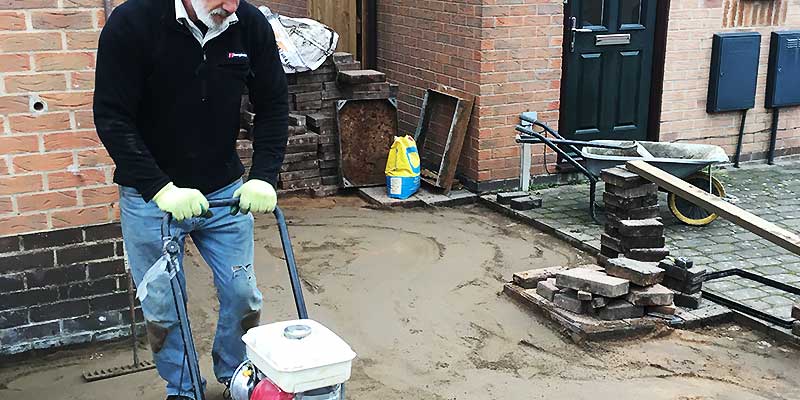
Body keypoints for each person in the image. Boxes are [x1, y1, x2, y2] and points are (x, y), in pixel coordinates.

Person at [93, 0, 288, 398]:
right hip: (150, 198)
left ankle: (236, 375)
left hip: (224, 192)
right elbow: (112, 115)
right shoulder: (133, 23)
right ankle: (182, 388)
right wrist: (160, 188)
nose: (230, 5)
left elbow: (273, 104)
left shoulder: (247, 25)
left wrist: (264, 177)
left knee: (243, 293)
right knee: (163, 303)